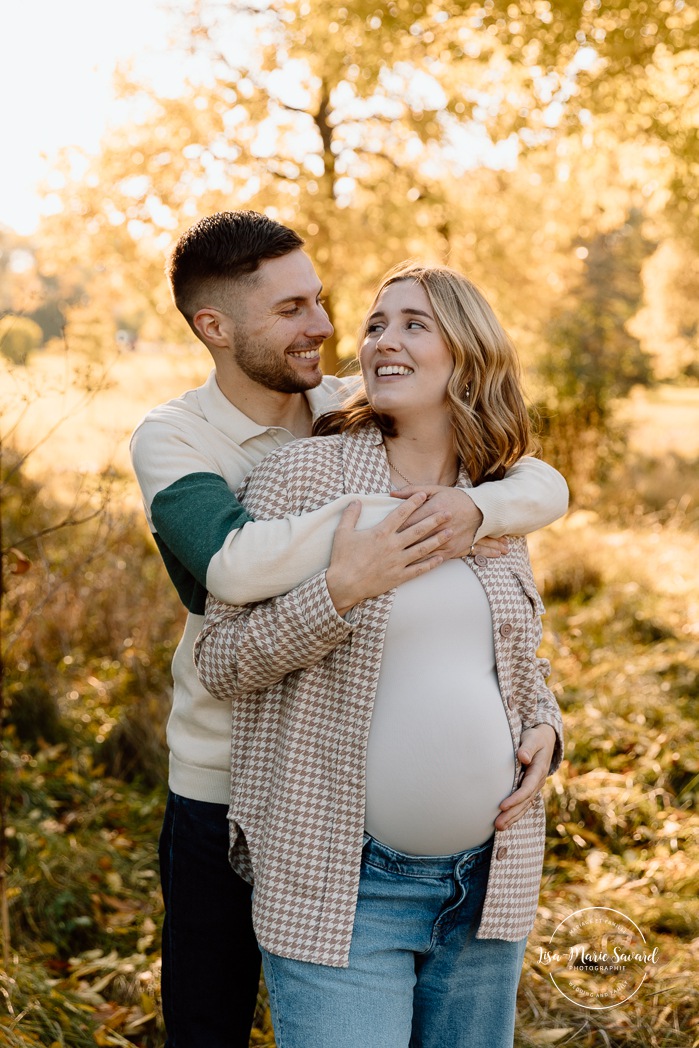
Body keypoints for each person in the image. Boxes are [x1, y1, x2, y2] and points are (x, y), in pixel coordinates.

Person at [130, 212, 568, 1048]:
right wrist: (358, 554)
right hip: (237, 779)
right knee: (208, 1017)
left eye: (328, 303)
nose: (329, 329)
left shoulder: (355, 409)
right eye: (293, 309)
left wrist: (477, 505)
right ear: (215, 328)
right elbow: (225, 570)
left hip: (474, 872)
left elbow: (507, 631)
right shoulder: (184, 439)